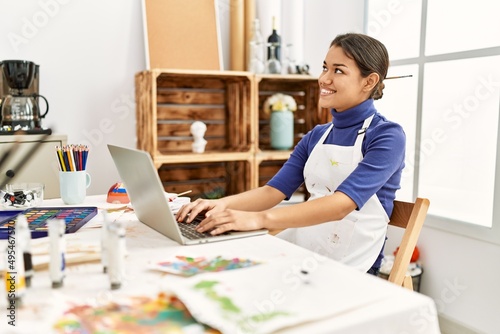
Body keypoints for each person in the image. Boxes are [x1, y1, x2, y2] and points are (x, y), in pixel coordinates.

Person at [176, 33, 406, 275]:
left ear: (369, 81)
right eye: (325, 68)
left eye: (338, 71)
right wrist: (217, 205)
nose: (324, 79)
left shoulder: (387, 136)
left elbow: (341, 205)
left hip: (352, 267)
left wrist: (259, 220)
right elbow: (272, 191)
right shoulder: (317, 135)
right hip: (302, 251)